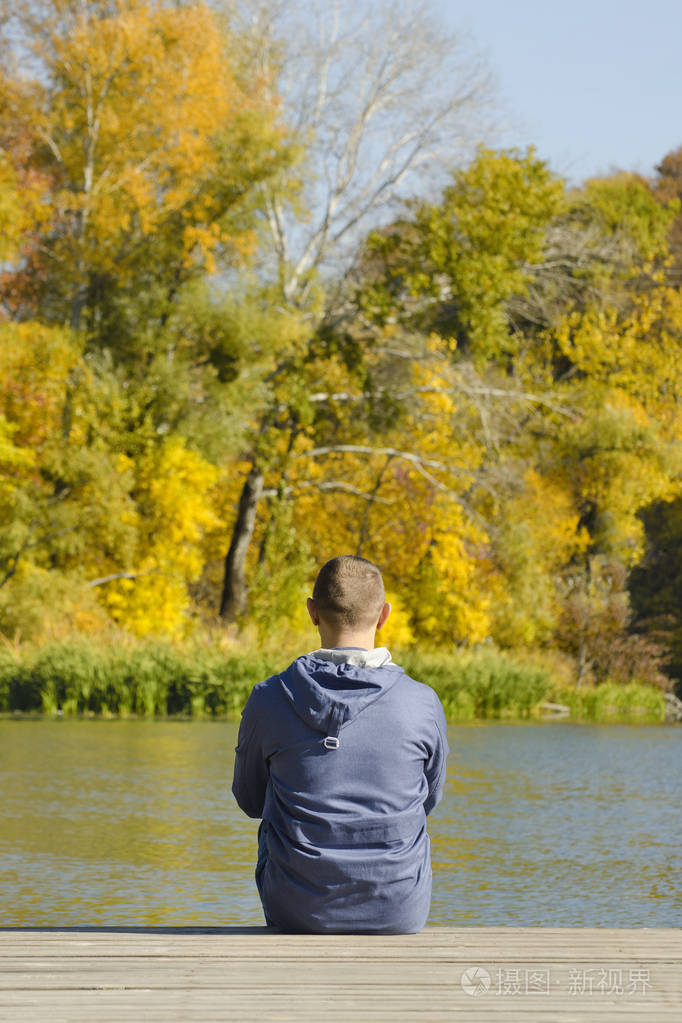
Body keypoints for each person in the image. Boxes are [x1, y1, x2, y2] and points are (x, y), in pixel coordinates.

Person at [231, 555, 449, 933]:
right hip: (398, 910)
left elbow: (250, 801)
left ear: (312, 612)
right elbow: (428, 799)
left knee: (275, 817)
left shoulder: (268, 697)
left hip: (296, 910)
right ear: (384, 615)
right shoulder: (422, 702)